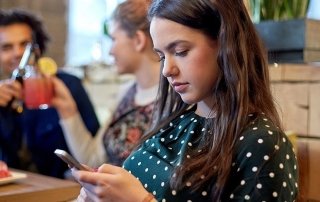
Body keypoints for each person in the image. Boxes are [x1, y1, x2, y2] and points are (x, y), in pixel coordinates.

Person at [71, 0, 299, 201]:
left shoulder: (262, 143)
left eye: (180, 51)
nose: (167, 70)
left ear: (225, 44)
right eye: (161, 56)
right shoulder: (173, 123)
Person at [52, 0, 160, 168]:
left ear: (138, 40)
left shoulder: (176, 96)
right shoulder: (126, 92)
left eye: (113, 39)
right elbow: (93, 160)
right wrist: (67, 109)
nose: (110, 50)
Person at [0, 9, 100, 178]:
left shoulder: (68, 85)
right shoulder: (2, 96)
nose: (17, 53)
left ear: (38, 48)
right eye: (7, 47)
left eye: (25, 45)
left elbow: (94, 150)